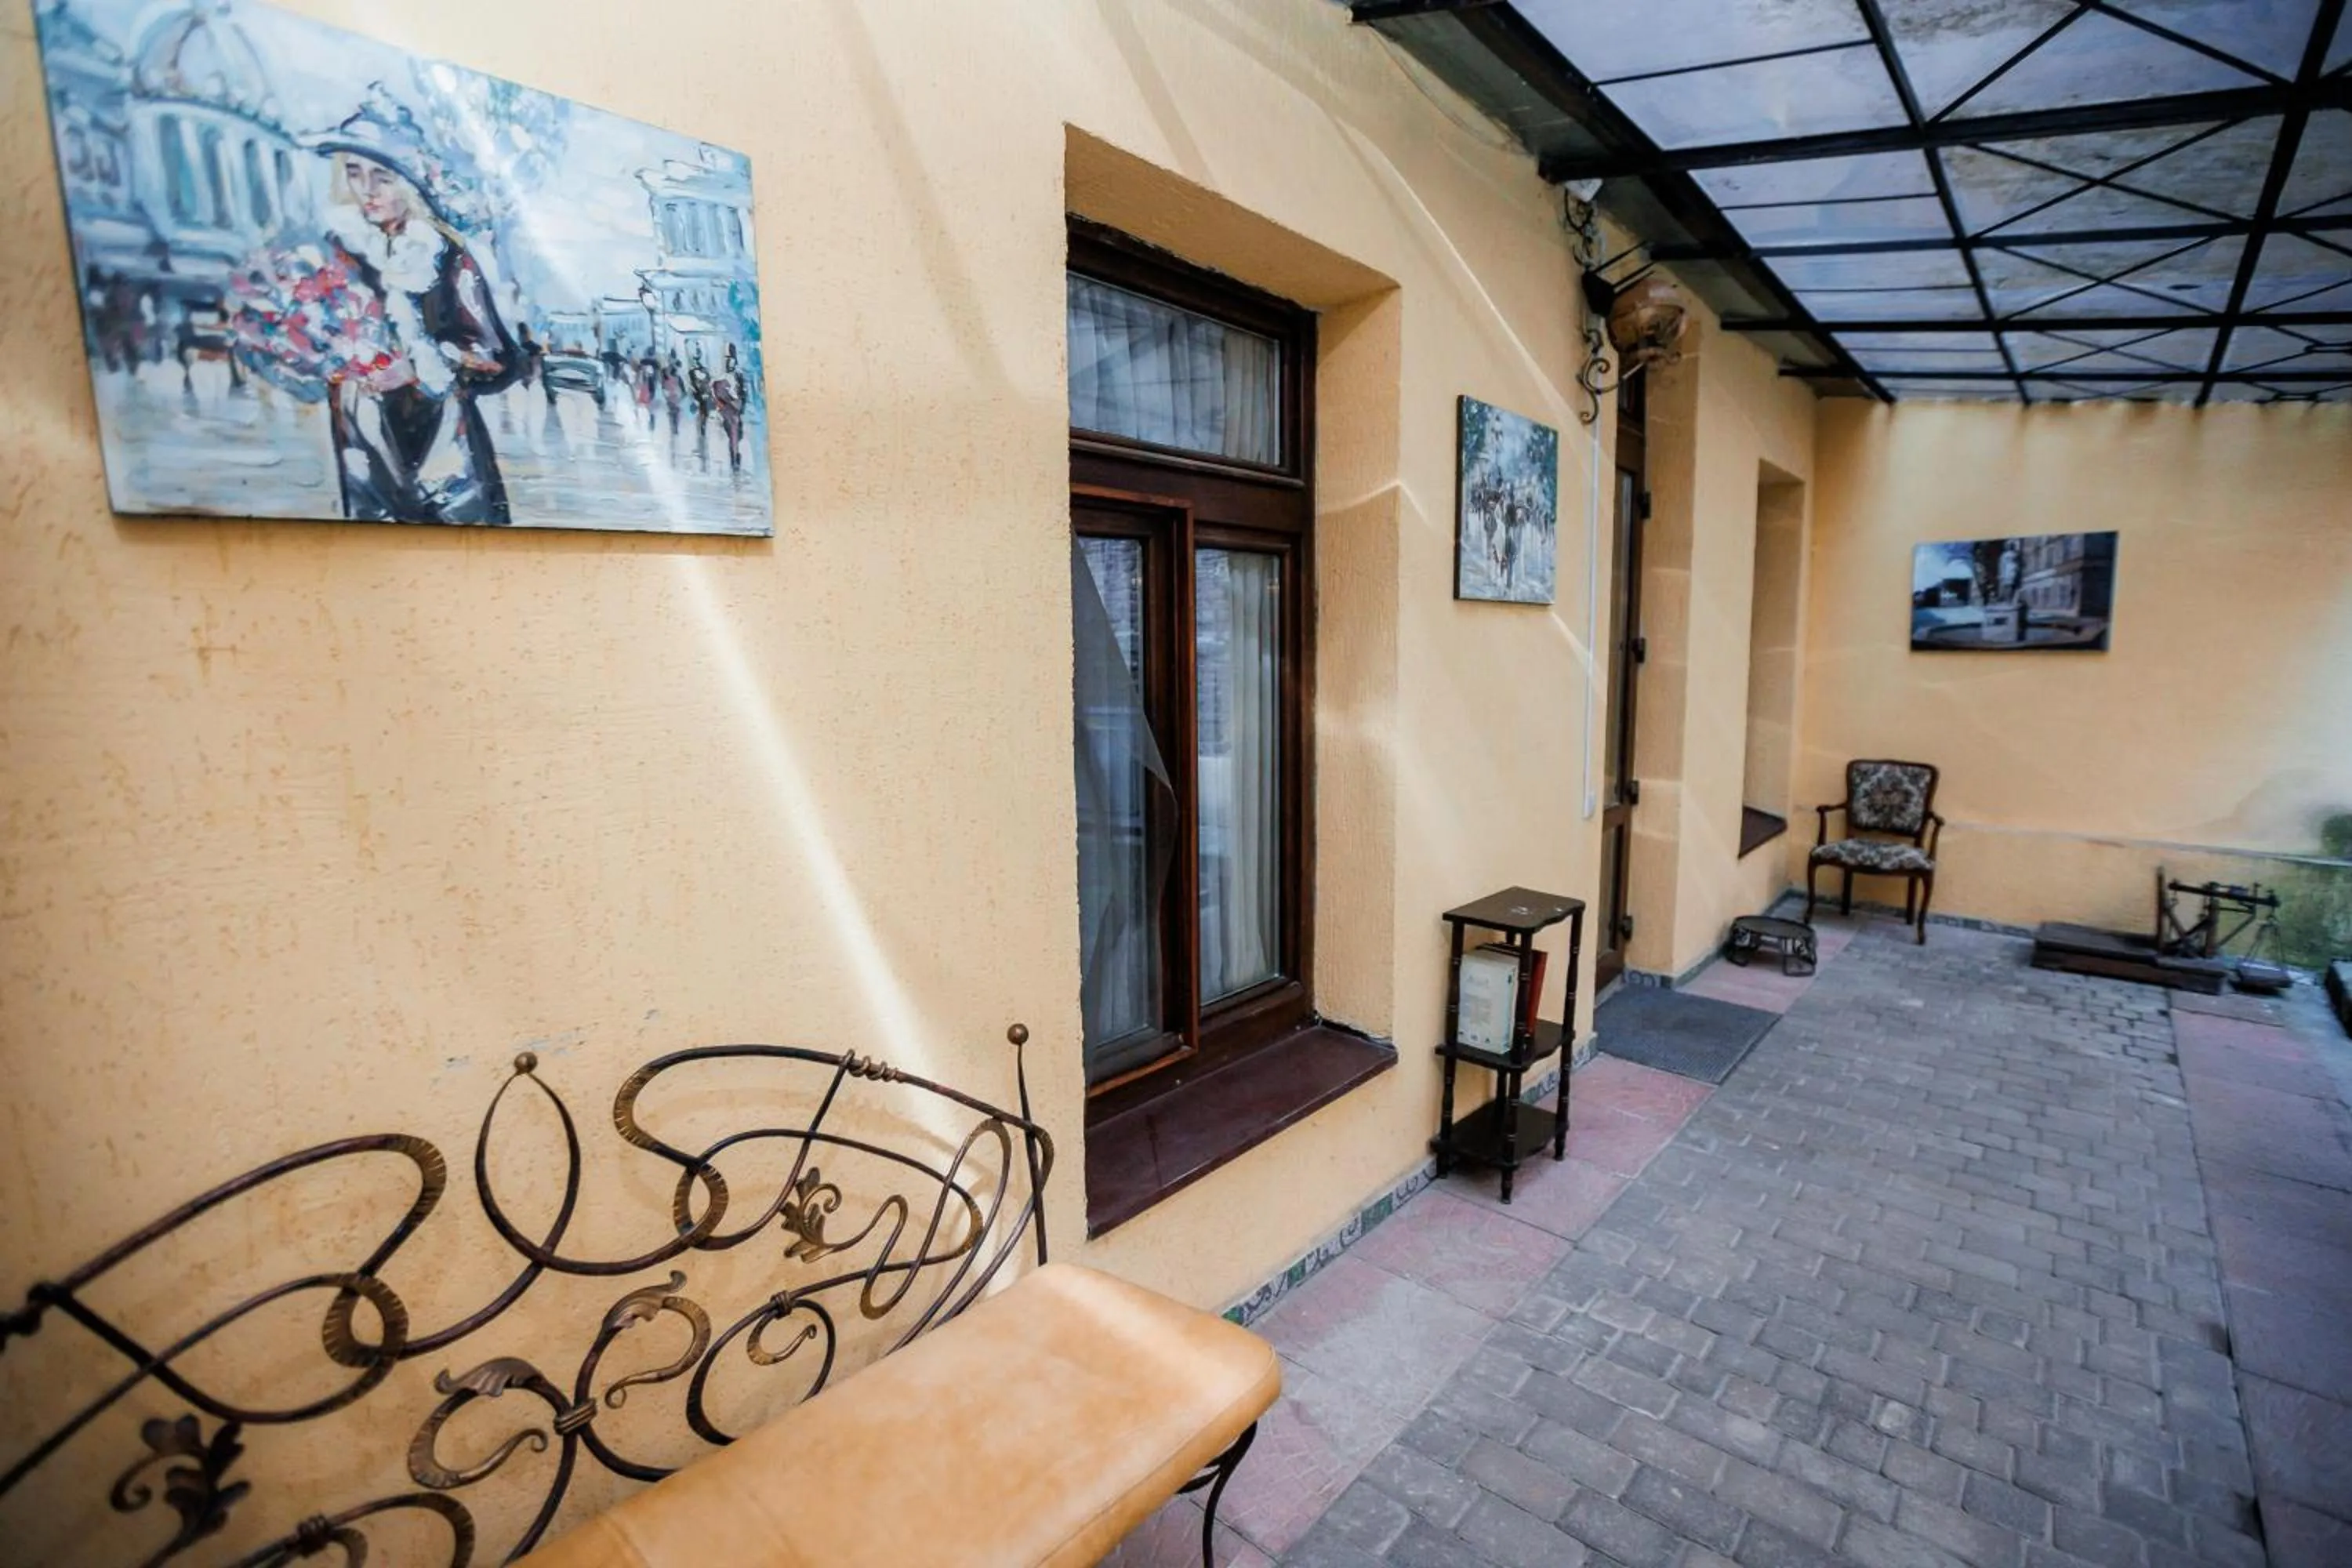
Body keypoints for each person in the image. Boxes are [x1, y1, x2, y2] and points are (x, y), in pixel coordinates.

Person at [307, 91, 519, 524]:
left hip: (443, 449)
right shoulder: (340, 254)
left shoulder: (443, 254)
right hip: (364, 441)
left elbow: (500, 360)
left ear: (408, 179)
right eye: (353, 173)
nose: (366, 190)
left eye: (382, 176)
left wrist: (419, 366)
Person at [713, 342, 748, 474]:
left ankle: (735, 457)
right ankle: (734, 459)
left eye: (731, 360)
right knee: (733, 435)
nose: (729, 363)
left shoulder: (739, 376)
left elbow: (744, 393)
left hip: (737, 411)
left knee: (737, 436)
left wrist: (741, 406)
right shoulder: (721, 379)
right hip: (727, 412)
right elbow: (718, 397)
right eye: (727, 360)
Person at [687, 346, 713, 459]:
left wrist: (706, 394)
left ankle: (702, 446)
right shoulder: (693, 372)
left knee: (702, 422)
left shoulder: (701, 372)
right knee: (700, 423)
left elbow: (708, 386)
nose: (697, 360)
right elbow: (692, 388)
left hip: (703, 400)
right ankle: (701, 445)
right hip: (699, 400)